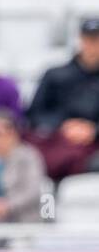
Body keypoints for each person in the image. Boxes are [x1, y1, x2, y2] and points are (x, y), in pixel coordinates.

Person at [23, 18, 99, 181]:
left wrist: (93, 131)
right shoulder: (55, 75)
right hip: (55, 144)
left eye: (97, 40)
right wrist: (63, 127)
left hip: (92, 149)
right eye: (89, 39)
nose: (92, 45)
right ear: (81, 40)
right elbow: (34, 114)